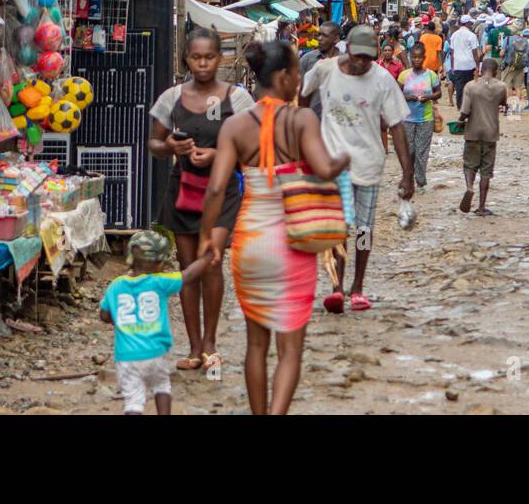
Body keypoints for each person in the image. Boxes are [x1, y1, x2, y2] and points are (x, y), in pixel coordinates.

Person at [199, 40, 349, 415]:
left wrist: (207, 239)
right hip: (292, 240)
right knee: (290, 350)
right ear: (283, 78)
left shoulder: (235, 124)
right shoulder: (302, 120)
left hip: (250, 241)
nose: (299, 79)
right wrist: (344, 157)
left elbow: (217, 187)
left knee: (255, 346)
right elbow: (325, 168)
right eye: (297, 72)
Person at [148, 29, 255, 372]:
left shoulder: (237, 99)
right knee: (187, 269)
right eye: (196, 57)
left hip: (223, 192)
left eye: (209, 57)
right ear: (186, 59)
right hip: (183, 191)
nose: (203, 63)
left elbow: (253, 146)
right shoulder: (171, 99)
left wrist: (219, 155)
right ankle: (194, 347)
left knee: (211, 260)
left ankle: (211, 341)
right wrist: (170, 148)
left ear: (219, 59)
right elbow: (154, 143)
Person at [301, 25, 413, 312]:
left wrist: (407, 173)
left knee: (364, 228)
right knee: (338, 229)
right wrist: (306, 132)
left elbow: (397, 126)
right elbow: (303, 94)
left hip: (368, 164)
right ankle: (336, 287)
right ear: (347, 50)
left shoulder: (382, 80)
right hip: (332, 165)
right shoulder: (325, 70)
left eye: (368, 58)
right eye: (358, 57)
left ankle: (358, 287)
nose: (363, 63)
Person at [100, 230, 210, 415]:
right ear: (160, 263)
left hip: (126, 356)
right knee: (162, 386)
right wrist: (207, 258)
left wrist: (117, 319)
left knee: (134, 400)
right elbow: (189, 275)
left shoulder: (116, 286)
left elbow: (104, 315)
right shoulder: (160, 281)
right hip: (156, 352)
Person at [459, 58, 508, 215]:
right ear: (495, 71)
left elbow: (464, 112)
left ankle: (469, 187)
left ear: (480, 70)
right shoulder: (501, 87)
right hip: (490, 133)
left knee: (469, 165)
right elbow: (503, 103)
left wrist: (459, 121)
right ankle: (481, 207)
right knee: (486, 171)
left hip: (472, 132)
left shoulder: (471, 86)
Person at [398, 43, 441, 194]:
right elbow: (396, 94)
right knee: (409, 151)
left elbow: (438, 93)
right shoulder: (404, 75)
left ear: (424, 58)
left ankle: (421, 182)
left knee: (422, 151)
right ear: (410, 58)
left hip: (426, 119)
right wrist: (407, 97)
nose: (416, 60)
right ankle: (408, 179)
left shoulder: (431, 75)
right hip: (407, 119)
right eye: (414, 57)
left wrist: (428, 97)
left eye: (419, 57)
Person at [299, 21, 341, 118]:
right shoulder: (308, 59)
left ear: (336, 39)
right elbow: (301, 93)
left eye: (324, 36)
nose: (319, 38)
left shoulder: (344, 62)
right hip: (313, 120)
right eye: (319, 35)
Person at [449, 14, 480, 109]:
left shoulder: (454, 35)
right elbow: (475, 52)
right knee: (469, 87)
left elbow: (452, 52)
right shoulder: (472, 35)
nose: (471, 25)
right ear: (467, 24)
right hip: (469, 65)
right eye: (470, 23)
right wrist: (477, 65)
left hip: (458, 65)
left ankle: (460, 106)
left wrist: (452, 66)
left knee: (459, 88)